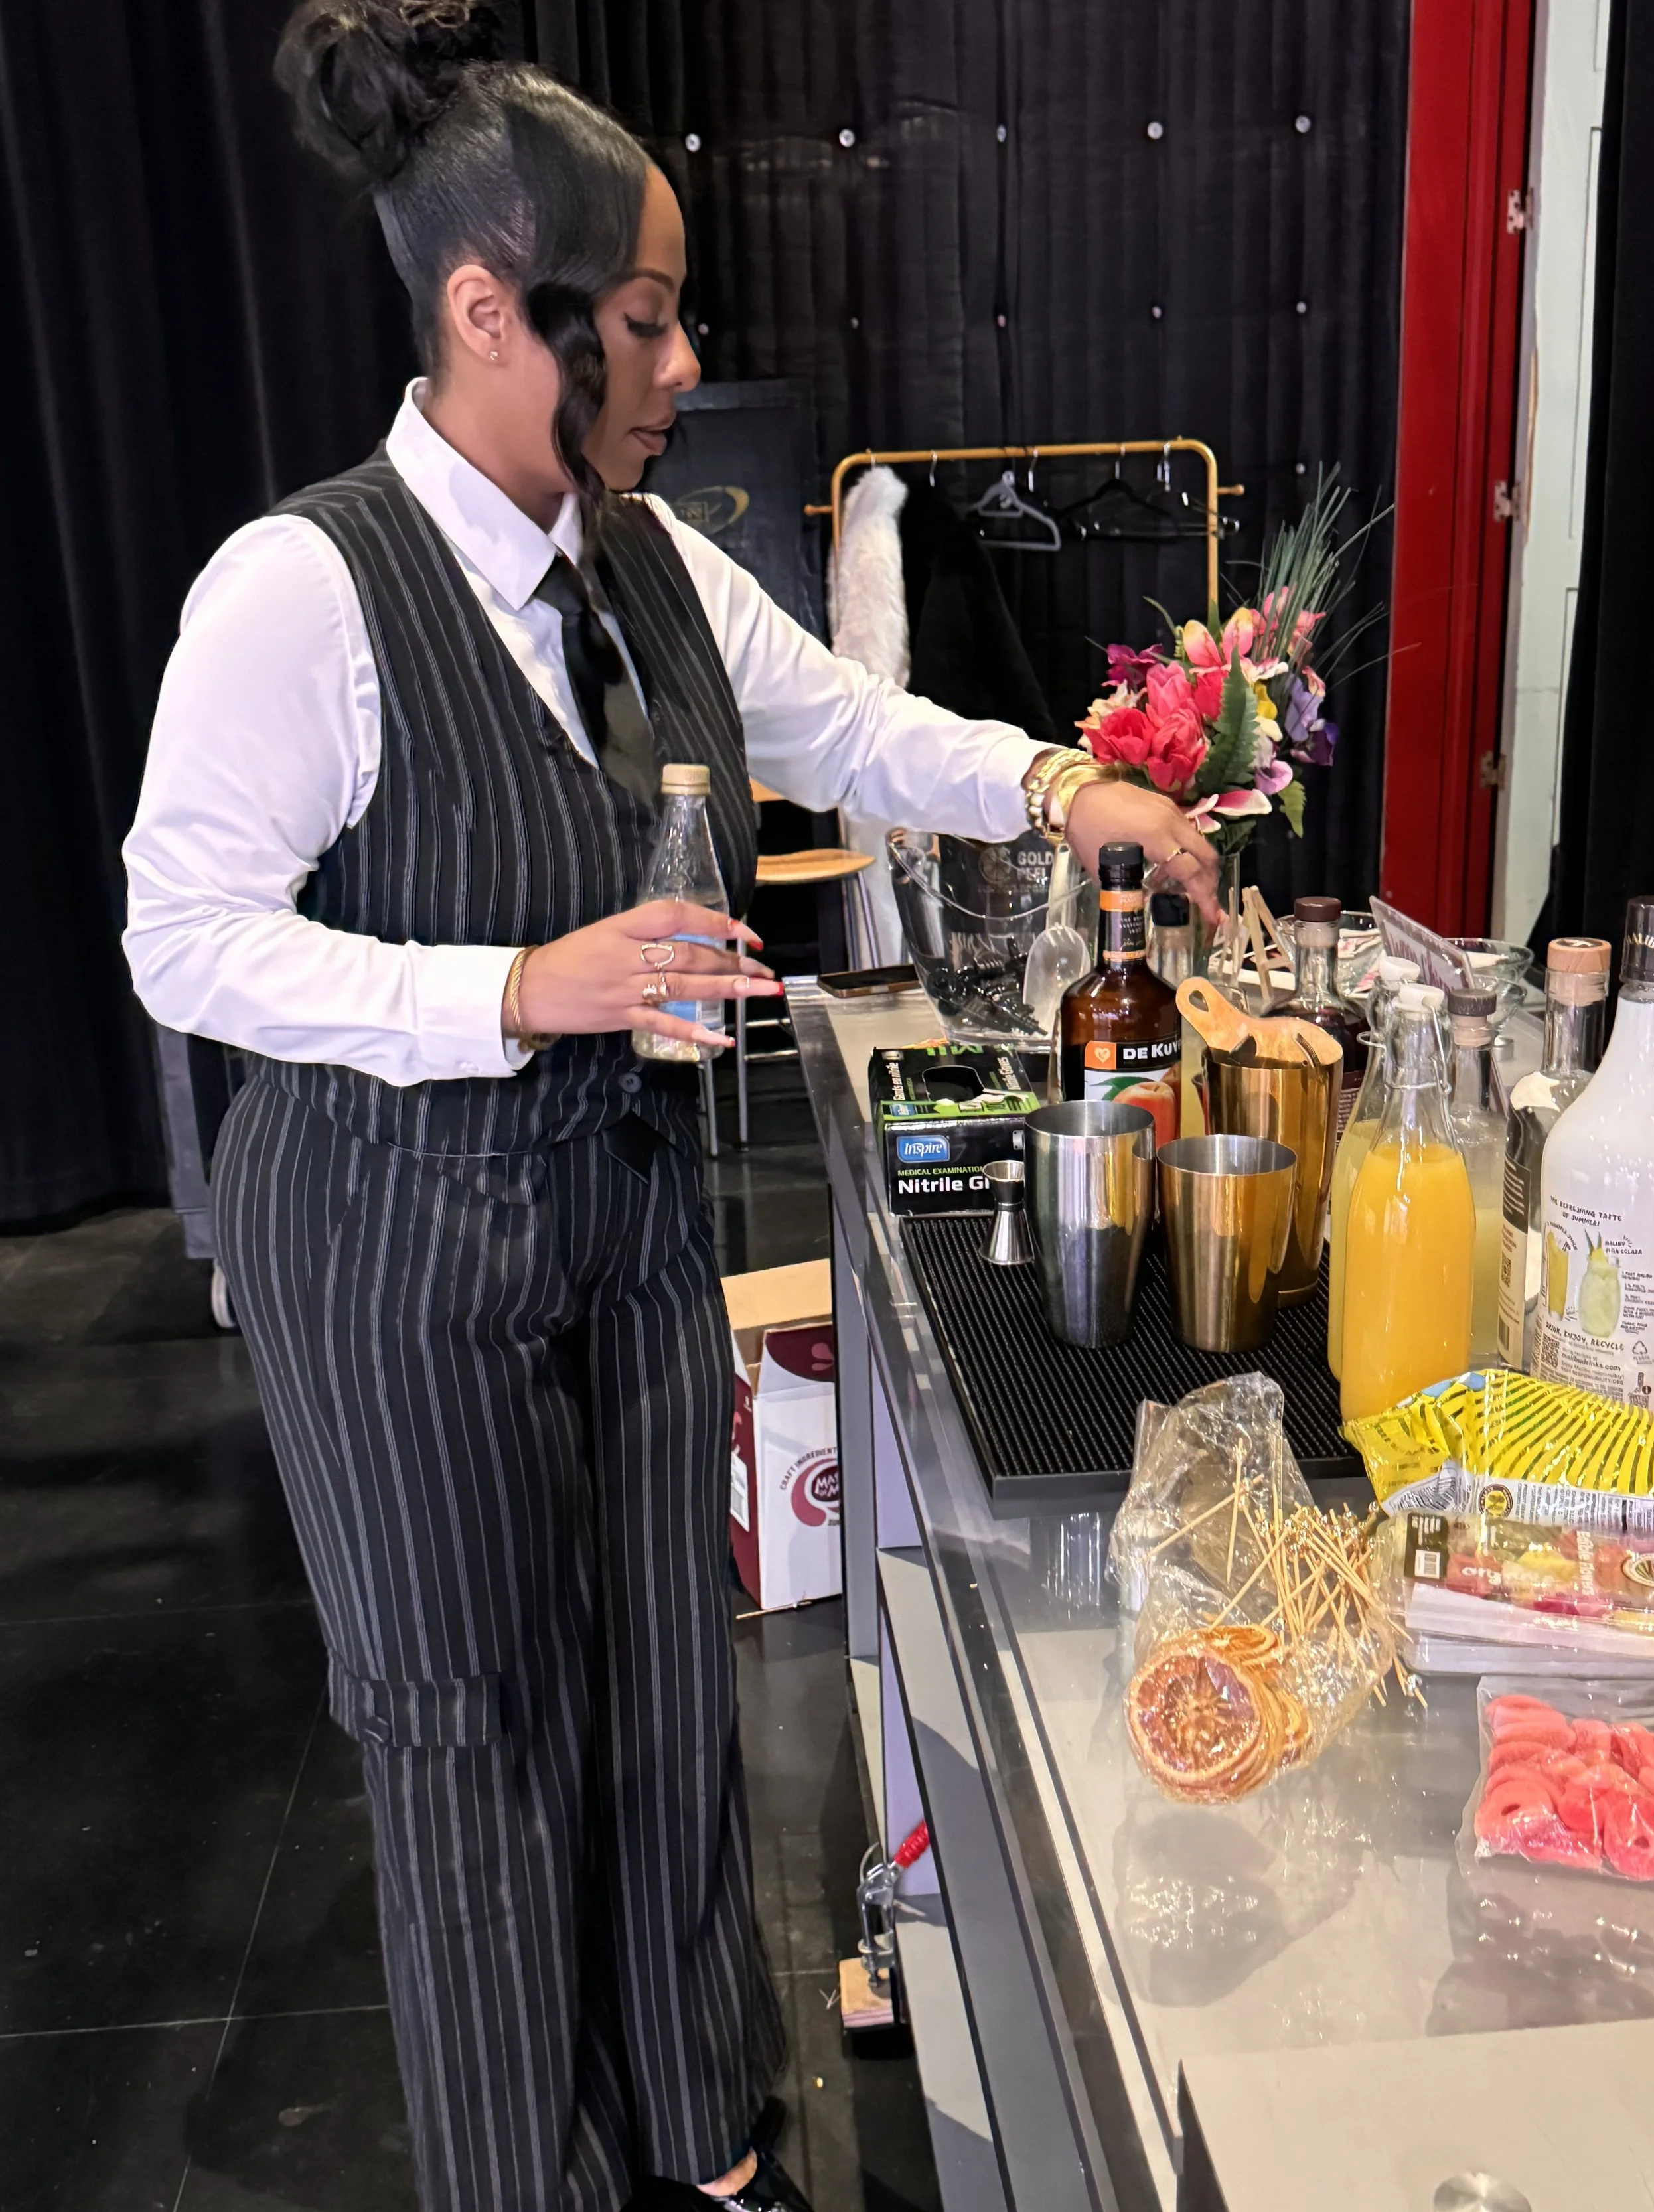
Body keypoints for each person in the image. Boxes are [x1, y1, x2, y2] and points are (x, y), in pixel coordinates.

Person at [123, 6, 1219, 2208]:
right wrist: (514, 984)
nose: (674, 360)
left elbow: (839, 721)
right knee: (474, 1749)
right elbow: (183, 934)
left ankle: (706, 2140)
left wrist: (1058, 777)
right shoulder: (300, 586)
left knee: (653, 1688)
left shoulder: (641, 557)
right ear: (481, 310)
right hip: (390, 1259)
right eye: (638, 320)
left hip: (615, 1224)